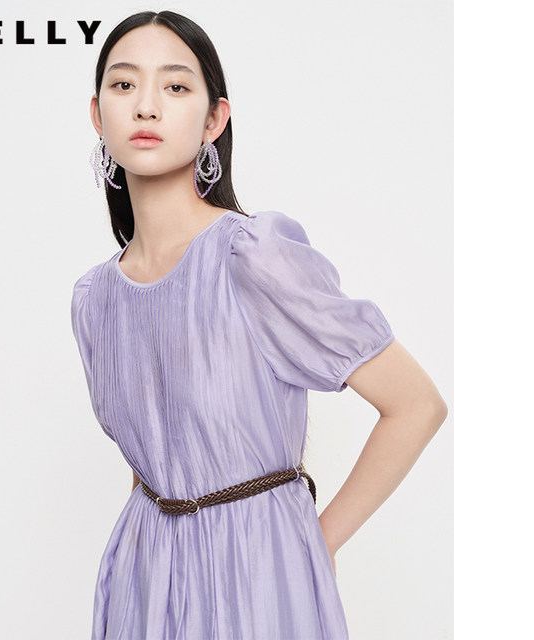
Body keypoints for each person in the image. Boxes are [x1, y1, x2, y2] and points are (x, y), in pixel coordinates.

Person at [71, 10, 447, 640]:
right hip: (144, 576)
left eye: (176, 86)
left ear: (214, 120)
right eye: (124, 84)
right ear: (97, 114)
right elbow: (151, 460)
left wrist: (316, 543)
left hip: (258, 571)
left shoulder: (254, 257)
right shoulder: (95, 299)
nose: (146, 106)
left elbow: (416, 405)